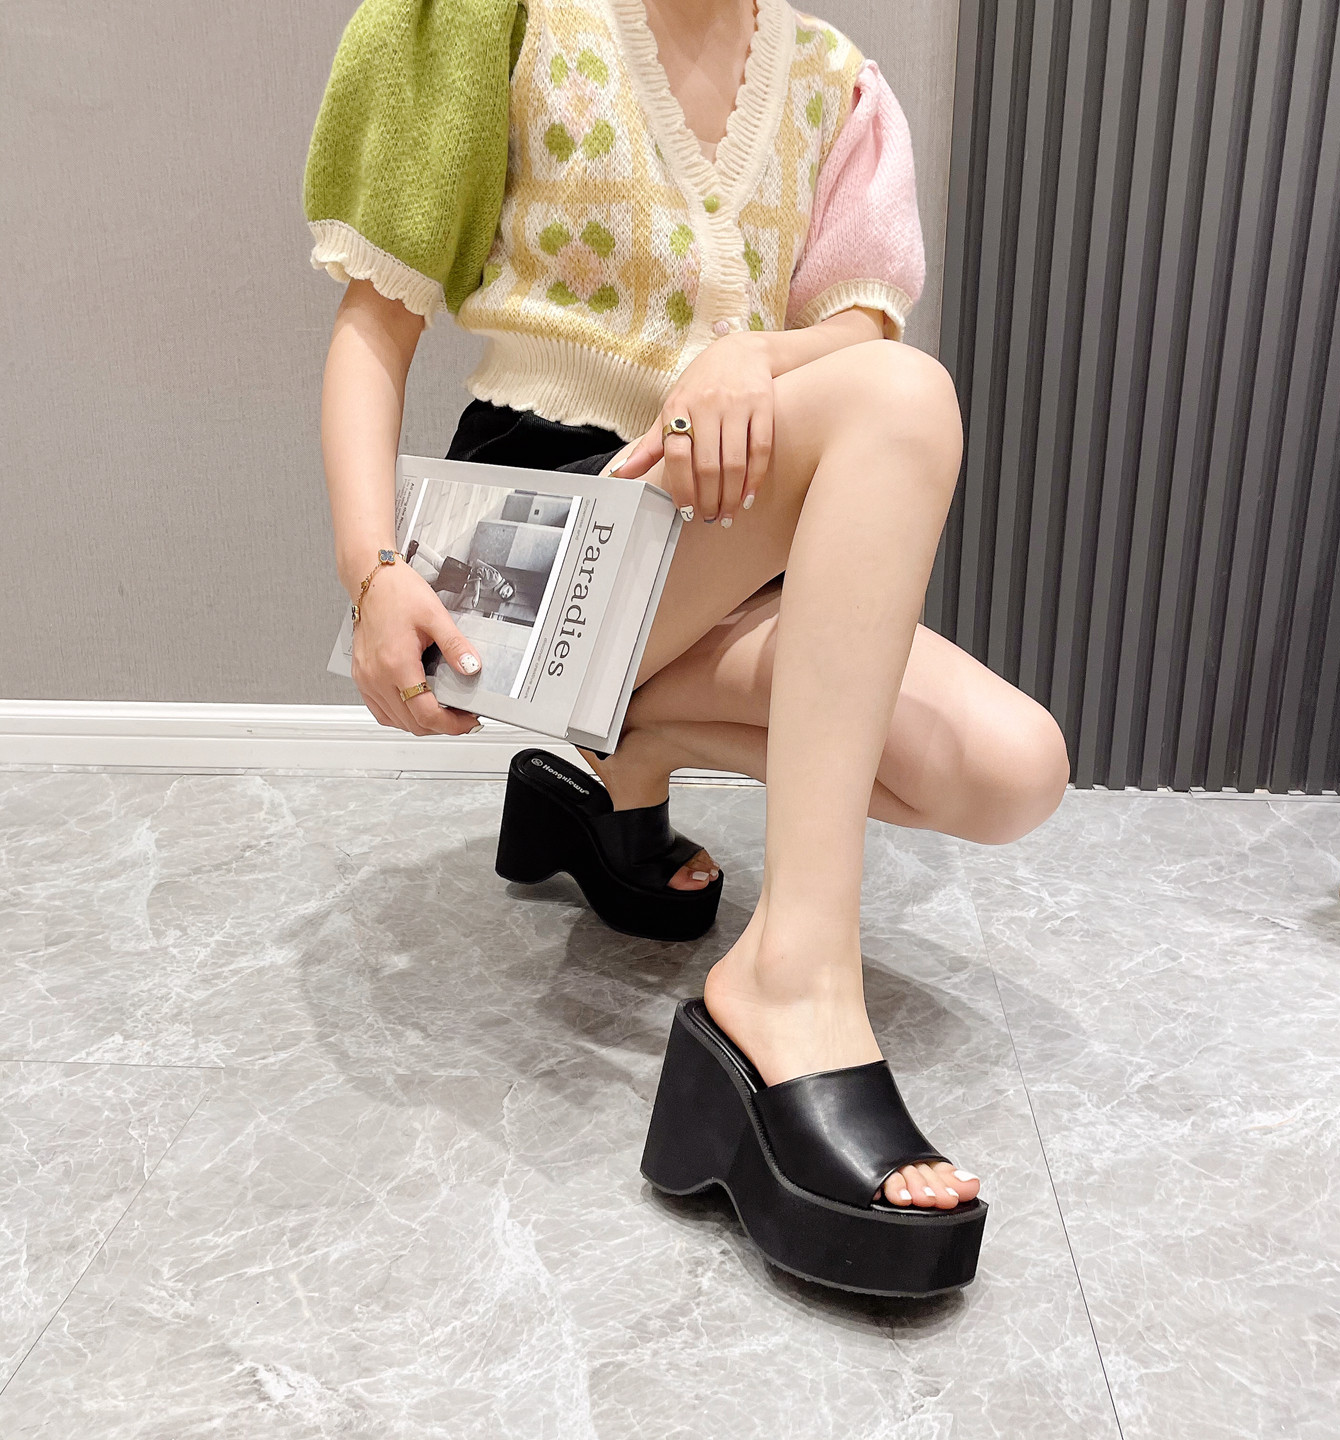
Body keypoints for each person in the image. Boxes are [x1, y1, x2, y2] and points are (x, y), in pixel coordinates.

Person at [306, 0, 1070, 1294]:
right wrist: (372, 570)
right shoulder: (506, 24)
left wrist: (747, 356)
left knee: (1015, 770)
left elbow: (855, 330)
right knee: (907, 401)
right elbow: (373, 329)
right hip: (532, 550)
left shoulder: (833, 84)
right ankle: (792, 985)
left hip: (716, 542)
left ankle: (622, 749)